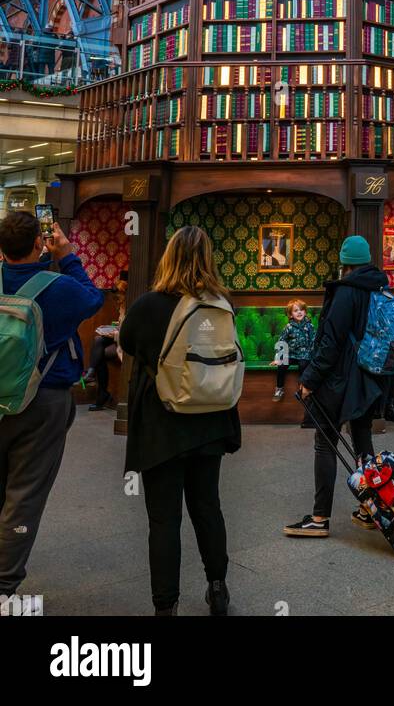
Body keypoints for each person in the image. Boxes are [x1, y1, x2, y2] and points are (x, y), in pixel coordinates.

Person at [120, 226, 241, 616]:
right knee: (208, 506)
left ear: (168, 257)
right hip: (210, 421)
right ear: (208, 259)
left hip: (162, 425)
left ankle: (165, 606)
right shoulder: (222, 303)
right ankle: (217, 588)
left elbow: (126, 343)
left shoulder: (148, 305)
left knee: (164, 519)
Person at [0, 211, 103, 599]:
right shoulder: (58, 287)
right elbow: (93, 299)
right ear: (40, 244)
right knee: (24, 492)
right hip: (41, 401)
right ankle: (4, 585)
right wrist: (69, 255)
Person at [285, 235, 389, 538]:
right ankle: (372, 509)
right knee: (362, 439)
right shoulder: (380, 288)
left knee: (325, 441)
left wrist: (310, 380)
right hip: (371, 377)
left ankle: (319, 519)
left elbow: (331, 343)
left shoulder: (346, 292)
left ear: (344, 263)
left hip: (341, 380)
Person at [84, 269, 128, 411]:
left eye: (119, 296)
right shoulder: (122, 307)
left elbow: (127, 333)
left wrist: (114, 334)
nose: (117, 300)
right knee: (98, 340)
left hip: (125, 343)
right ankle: (91, 374)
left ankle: (101, 391)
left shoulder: (131, 307)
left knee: (100, 353)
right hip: (118, 338)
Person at [272, 299, 315, 401]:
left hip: (304, 354)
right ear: (291, 315)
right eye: (296, 310)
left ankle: (303, 388)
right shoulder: (289, 327)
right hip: (290, 354)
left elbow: (313, 341)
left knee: (303, 365)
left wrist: (313, 356)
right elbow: (282, 341)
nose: (299, 312)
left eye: (301, 310)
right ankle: (279, 389)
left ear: (305, 311)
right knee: (282, 366)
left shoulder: (309, 326)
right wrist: (278, 358)